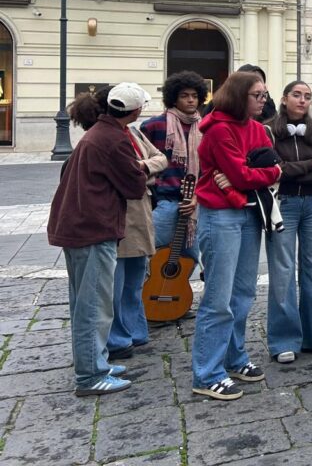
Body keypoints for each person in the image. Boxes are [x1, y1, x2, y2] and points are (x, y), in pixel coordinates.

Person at [49, 83, 149, 396]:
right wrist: (144, 168)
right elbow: (135, 186)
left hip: (78, 226)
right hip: (93, 228)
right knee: (94, 306)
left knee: (86, 303)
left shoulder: (98, 133)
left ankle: (96, 361)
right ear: (135, 111)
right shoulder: (114, 139)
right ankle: (90, 375)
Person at [191, 71, 283, 401]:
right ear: (238, 96)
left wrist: (264, 172)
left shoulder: (257, 128)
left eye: (264, 95)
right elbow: (244, 175)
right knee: (218, 297)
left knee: (243, 293)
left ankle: (234, 357)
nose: (263, 100)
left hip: (249, 212)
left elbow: (273, 166)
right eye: (257, 95)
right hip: (221, 215)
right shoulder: (218, 130)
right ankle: (207, 373)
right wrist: (258, 173)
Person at [265, 81, 312, 364]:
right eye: (296, 95)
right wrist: (309, 165)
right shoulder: (269, 131)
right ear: (284, 99)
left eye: (307, 96)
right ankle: (283, 340)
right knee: (282, 270)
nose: (302, 100)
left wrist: (291, 170)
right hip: (283, 203)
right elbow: (272, 170)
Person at [108, 92, 168, 360]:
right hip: (123, 213)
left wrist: (143, 166)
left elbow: (161, 158)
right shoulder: (112, 137)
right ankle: (118, 338)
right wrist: (148, 170)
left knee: (135, 279)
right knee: (117, 281)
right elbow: (129, 174)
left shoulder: (134, 132)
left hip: (141, 212)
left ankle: (135, 331)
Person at [140, 71, 209, 265]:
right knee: (148, 254)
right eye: (184, 96)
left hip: (195, 204)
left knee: (189, 260)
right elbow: (143, 162)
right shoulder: (153, 126)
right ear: (173, 98)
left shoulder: (205, 127)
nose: (190, 100)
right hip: (163, 201)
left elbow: (208, 168)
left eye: (194, 96)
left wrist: (196, 197)